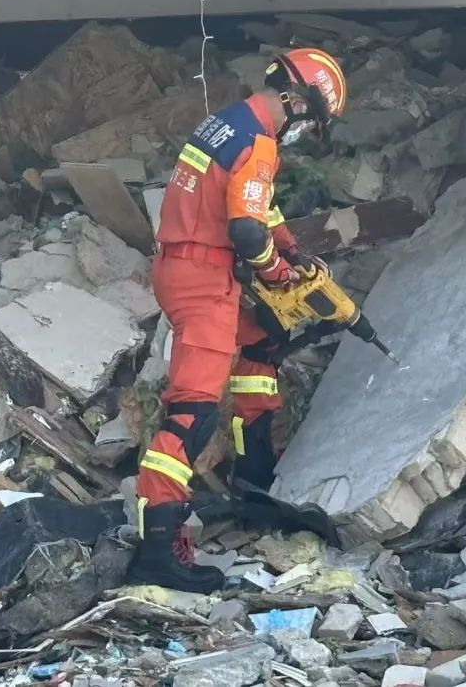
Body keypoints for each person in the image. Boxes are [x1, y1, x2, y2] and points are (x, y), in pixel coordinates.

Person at [127, 48, 348, 593]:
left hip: (188, 267)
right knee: (193, 414)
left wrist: (290, 249)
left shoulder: (229, 123)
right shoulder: (260, 142)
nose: (305, 130)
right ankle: (158, 548)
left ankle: (254, 480)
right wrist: (277, 271)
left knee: (262, 342)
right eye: (312, 120)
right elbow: (248, 233)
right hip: (202, 281)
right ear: (298, 100)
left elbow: (256, 208)